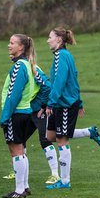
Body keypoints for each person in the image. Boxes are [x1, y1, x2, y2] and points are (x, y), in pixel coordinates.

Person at [3, 66, 100, 184]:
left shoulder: (32, 67)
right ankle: (18, 171)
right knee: (21, 139)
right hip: (27, 109)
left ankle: (55, 174)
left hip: (40, 109)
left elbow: (47, 86)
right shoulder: (19, 67)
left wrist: (44, 105)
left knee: (46, 138)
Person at [44, 27, 83, 189]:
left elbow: (61, 82)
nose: (48, 40)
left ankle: (65, 181)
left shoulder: (61, 56)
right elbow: (73, 78)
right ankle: (89, 132)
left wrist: (51, 103)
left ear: (59, 40)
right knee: (50, 136)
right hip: (62, 103)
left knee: (62, 140)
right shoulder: (63, 55)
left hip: (64, 104)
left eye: (50, 37)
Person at [0, 34, 36, 198]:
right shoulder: (26, 64)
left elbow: (13, 94)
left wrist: (5, 116)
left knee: (16, 151)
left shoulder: (19, 67)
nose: (9, 45)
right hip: (23, 113)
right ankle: (25, 186)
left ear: (21, 47)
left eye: (12, 43)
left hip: (16, 114)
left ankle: (19, 189)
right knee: (20, 150)